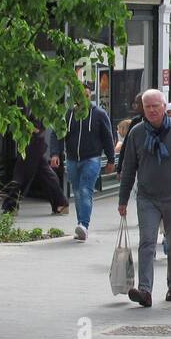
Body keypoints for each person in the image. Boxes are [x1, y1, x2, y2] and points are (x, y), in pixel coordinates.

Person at [117, 89, 171, 306]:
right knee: (147, 242)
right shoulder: (137, 133)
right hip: (147, 197)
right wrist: (122, 199)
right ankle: (145, 290)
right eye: (147, 107)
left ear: (164, 107)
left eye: (155, 106)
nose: (151, 110)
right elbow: (129, 168)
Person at [50, 82, 115, 241]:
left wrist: (111, 159)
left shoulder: (99, 114)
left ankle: (84, 225)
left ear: (90, 96)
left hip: (91, 159)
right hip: (72, 159)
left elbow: (107, 137)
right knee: (78, 192)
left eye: (86, 96)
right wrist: (55, 154)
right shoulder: (68, 114)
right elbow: (57, 133)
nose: (83, 99)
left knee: (85, 190)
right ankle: (81, 224)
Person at [3, 112, 68, 214]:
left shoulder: (38, 105)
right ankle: (60, 202)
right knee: (45, 173)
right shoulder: (34, 105)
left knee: (20, 174)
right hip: (35, 143)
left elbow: (37, 128)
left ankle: (11, 205)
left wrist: (22, 126)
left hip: (33, 143)